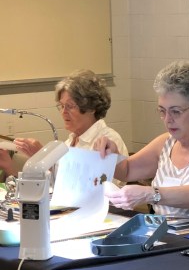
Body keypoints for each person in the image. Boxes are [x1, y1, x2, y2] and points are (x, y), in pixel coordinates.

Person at [94, 61, 189, 229]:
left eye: (176, 112)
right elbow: (127, 171)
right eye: (162, 111)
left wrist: (151, 194)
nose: (167, 120)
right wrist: (111, 154)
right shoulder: (166, 143)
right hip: (165, 240)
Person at [0, 69, 128, 185]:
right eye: (61, 106)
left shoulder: (108, 141)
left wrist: (45, 157)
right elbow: (52, 187)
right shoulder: (70, 142)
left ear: (92, 108)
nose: (63, 112)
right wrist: (10, 167)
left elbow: (99, 188)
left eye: (70, 106)